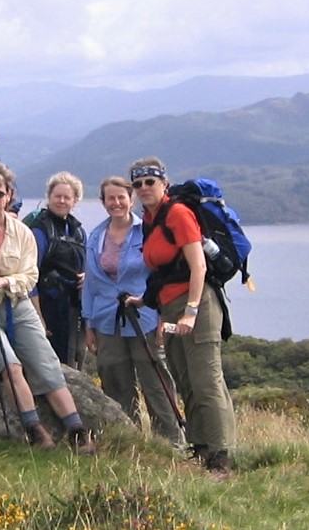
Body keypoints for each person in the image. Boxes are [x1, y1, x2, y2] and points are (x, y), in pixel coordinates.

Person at [0, 160, 96, 455]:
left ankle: (78, 431)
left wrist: (1, 283)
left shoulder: (22, 232)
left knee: (47, 365)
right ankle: (35, 431)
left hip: (17, 306)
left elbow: (29, 276)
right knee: (10, 366)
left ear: (9, 195)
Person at [127, 156, 236, 475]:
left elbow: (198, 266)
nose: (144, 188)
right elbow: (164, 271)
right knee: (186, 380)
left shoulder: (177, 213)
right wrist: (147, 303)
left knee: (206, 382)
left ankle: (221, 458)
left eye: (150, 181)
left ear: (164, 183)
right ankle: (201, 448)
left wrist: (190, 312)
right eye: (138, 184)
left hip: (198, 305)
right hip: (170, 308)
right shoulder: (149, 219)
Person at [82, 176, 185, 447]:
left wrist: (163, 315)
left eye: (121, 197)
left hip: (145, 317)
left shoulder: (147, 231)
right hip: (106, 319)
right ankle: (127, 439)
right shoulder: (95, 235)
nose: (116, 203)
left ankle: (170, 442)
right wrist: (88, 322)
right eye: (110, 198)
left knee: (155, 381)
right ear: (103, 202)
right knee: (115, 381)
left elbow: (159, 274)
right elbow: (91, 284)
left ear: (131, 199)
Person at [27, 172, 86, 366]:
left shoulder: (77, 231)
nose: (61, 201)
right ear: (49, 197)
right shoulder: (40, 230)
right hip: (47, 307)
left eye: (67, 197)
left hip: (72, 307)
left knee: (73, 362)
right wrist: (38, 318)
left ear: (75, 200)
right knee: (50, 364)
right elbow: (29, 275)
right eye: (57, 196)